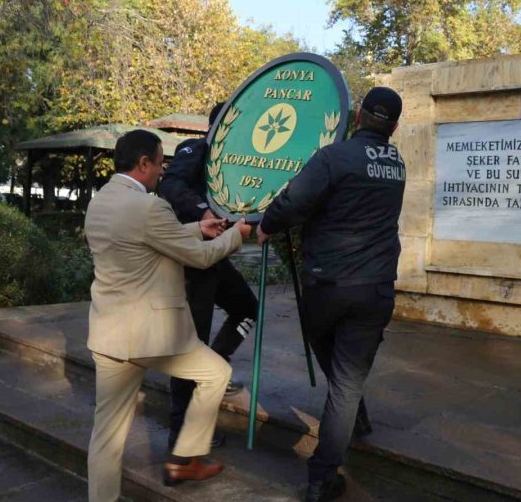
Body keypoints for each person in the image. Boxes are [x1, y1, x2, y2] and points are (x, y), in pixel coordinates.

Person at [84, 129, 252, 502]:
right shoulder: (150, 206)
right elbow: (202, 257)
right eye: (160, 163)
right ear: (143, 163)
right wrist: (237, 233)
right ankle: (185, 456)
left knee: (106, 438)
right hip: (150, 336)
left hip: (108, 335)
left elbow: (145, 238)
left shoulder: (99, 202)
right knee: (217, 373)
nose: (162, 172)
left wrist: (197, 227)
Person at [257, 86, 406, 502]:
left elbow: (293, 201)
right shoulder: (397, 163)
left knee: (340, 376)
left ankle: (321, 477)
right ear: (394, 126)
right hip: (375, 288)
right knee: (346, 379)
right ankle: (354, 413)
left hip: (328, 285)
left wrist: (266, 225)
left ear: (357, 115)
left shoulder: (334, 157)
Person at [157, 103, 259, 450]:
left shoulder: (241, 163)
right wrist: (203, 213)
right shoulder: (196, 150)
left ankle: (215, 368)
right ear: (218, 127)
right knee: (190, 344)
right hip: (191, 260)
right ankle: (180, 432)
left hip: (215, 259)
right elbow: (170, 186)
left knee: (247, 308)